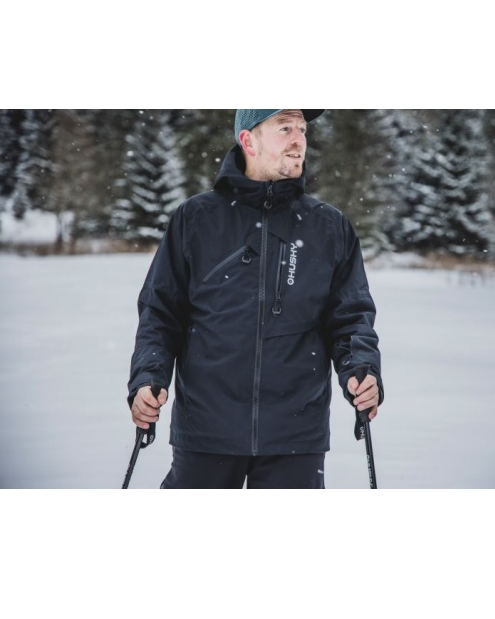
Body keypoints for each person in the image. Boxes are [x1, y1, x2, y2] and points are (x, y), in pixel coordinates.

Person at [127, 109, 384, 489]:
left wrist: (361, 367)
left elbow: (350, 318)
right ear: (248, 140)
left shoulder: (328, 226)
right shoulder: (196, 218)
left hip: (295, 436)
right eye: (285, 128)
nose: (298, 139)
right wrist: (148, 376)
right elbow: (161, 313)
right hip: (207, 431)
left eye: (302, 129)